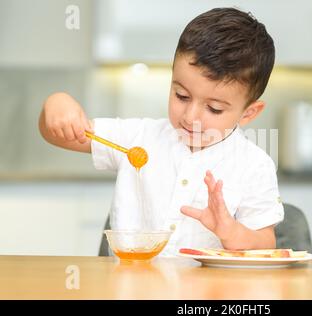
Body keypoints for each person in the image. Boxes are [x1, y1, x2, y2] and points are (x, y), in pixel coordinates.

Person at [38, 7, 284, 256]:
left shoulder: (254, 165)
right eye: (181, 96)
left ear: (248, 113)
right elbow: (55, 134)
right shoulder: (138, 137)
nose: (190, 117)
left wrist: (231, 232)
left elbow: (266, 243)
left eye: (213, 108)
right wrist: (56, 104)